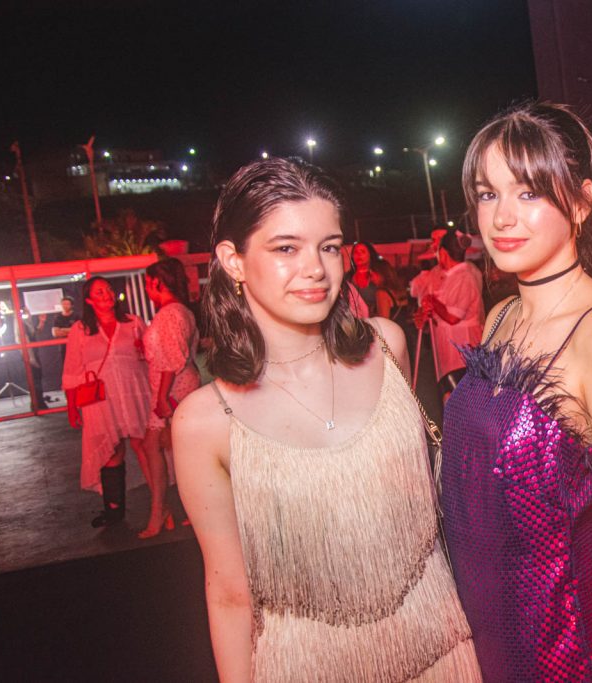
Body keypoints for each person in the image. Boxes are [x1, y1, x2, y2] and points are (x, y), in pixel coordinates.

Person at [172, 157, 480, 681]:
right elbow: (228, 595)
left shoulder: (388, 346)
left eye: (330, 246)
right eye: (286, 248)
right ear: (233, 260)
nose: (316, 268)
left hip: (444, 650)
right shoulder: (204, 422)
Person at [441, 102, 592, 682]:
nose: (502, 218)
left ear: (582, 202)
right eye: (488, 194)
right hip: (488, 635)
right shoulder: (500, 315)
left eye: (530, 193)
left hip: (562, 650)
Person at [61, 276, 150, 528]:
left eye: (108, 290)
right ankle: (114, 510)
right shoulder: (81, 329)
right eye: (99, 292)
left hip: (134, 393)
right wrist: (71, 407)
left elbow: (148, 357)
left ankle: (160, 503)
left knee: (144, 446)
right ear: (89, 300)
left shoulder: (133, 323)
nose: (107, 295)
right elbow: (72, 370)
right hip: (100, 400)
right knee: (111, 451)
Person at [138, 258, 201, 539]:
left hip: (173, 389)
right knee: (165, 449)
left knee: (161, 448)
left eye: (148, 284)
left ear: (157, 283)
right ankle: (174, 509)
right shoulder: (180, 311)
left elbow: (171, 361)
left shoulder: (170, 314)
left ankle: (162, 510)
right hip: (176, 386)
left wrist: (162, 398)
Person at [415, 228, 484, 401]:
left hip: (462, 344)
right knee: (449, 392)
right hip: (446, 344)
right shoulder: (446, 275)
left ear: (443, 252)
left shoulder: (466, 275)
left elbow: (453, 316)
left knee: (465, 394)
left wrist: (433, 301)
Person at [347, 241, 394, 318]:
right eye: (355, 252)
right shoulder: (347, 278)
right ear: (352, 256)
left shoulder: (378, 274)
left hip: (377, 321)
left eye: (362, 252)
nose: (359, 255)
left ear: (370, 255)